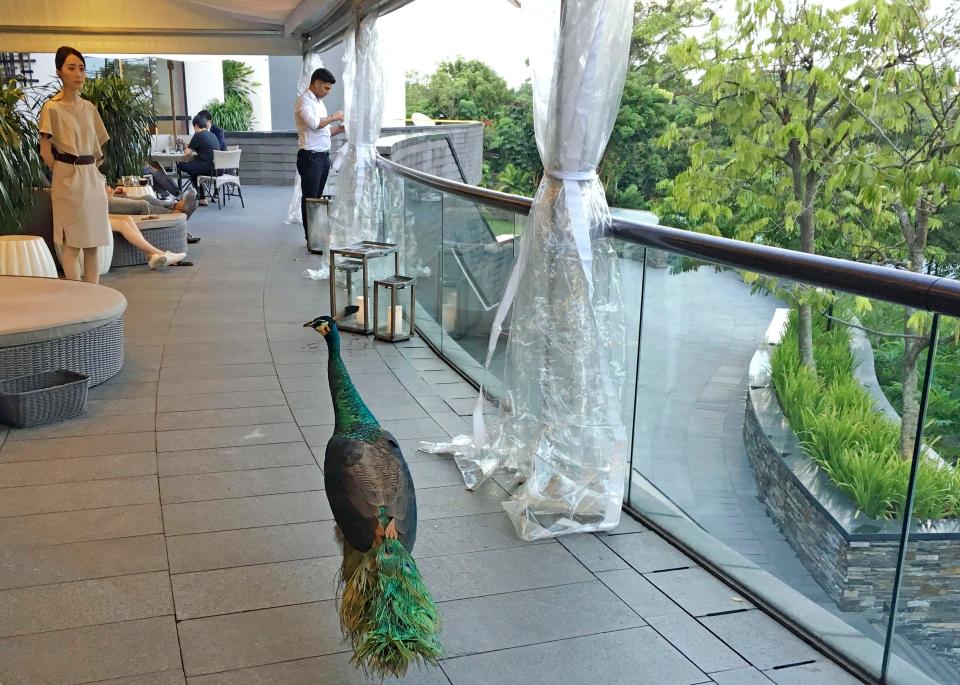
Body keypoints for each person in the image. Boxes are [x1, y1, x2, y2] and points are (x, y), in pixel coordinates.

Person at [38, 46, 111, 283]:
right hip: (67, 175)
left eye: (81, 68)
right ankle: (78, 295)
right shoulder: (52, 107)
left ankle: (95, 296)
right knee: (71, 242)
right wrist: (61, 171)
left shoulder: (89, 108)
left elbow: (100, 148)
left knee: (93, 242)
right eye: (71, 68)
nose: (78, 74)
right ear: (59, 72)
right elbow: (45, 150)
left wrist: (94, 173)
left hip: (90, 176)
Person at [294, 67, 345, 238]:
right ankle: (311, 237)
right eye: (326, 88)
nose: (328, 92)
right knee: (310, 198)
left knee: (317, 197)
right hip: (310, 156)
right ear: (317, 83)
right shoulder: (304, 101)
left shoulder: (318, 103)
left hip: (322, 156)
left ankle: (316, 235)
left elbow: (325, 131)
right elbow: (315, 123)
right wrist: (334, 116)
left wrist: (340, 128)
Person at [108, 215, 186, 269]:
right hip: (96, 215)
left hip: (99, 211)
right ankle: (160, 253)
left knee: (128, 218)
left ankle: (151, 256)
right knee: (122, 224)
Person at [176, 116, 219, 206]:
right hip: (217, 169)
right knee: (194, 170)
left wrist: (185, 149)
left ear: (195, 125)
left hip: (206, 168)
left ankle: (179, 194)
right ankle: (202, 198)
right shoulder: (212, 135)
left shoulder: (198, 134)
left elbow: (187, 153)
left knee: (181, 165)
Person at [108, 186, 197, 219]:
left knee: (148, 198)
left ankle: (176, 206)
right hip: (103, 203)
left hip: (105, 197)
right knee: (142, 205)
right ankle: (174, 213)